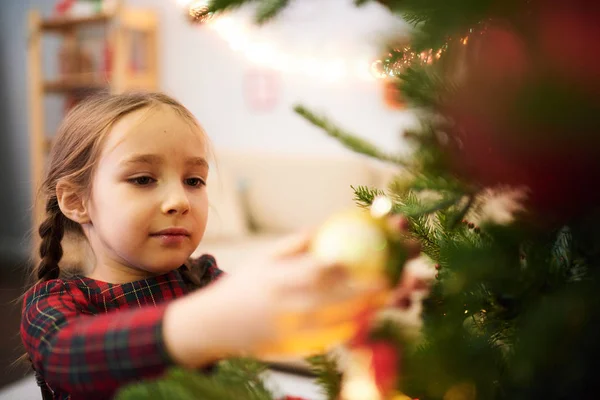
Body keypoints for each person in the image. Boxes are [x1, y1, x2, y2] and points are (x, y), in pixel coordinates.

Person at [20, 91, 417, 400]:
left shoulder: (203, 278)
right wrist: (210, 320)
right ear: (76, 200)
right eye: (142, 179)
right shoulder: (53, 303)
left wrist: (353, 290)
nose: (179, 200)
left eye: (194, 180)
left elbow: (268, 327)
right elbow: (66, 357)